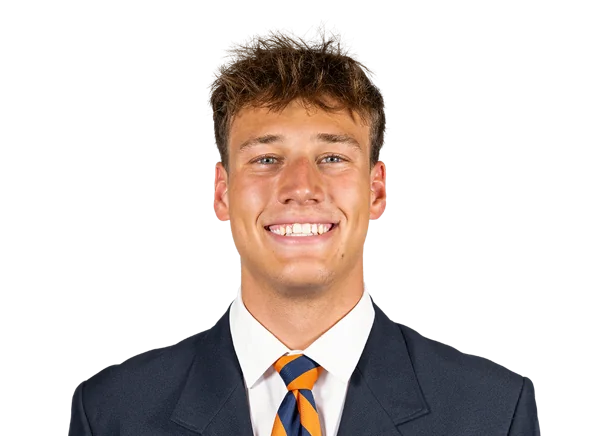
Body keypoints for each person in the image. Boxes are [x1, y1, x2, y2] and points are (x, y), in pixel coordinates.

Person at [69, 23, 538, 435]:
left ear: (376, 191)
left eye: (331, 157)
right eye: (266, 159)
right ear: (222, 193)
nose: (300, 187)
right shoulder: (111, 413)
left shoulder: (492, 412)